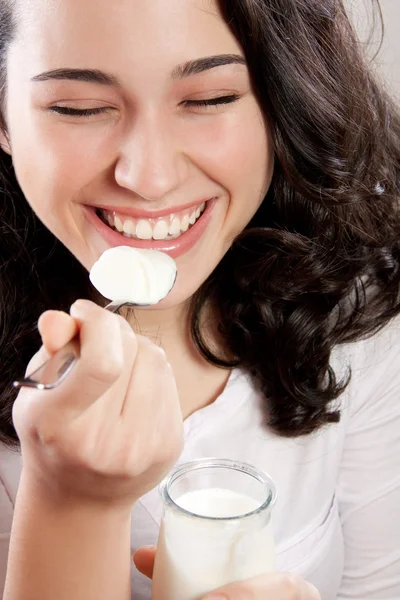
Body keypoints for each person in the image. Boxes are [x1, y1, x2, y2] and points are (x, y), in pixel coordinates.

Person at [0, 0, 399, 598]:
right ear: (3, 118)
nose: (150, 176)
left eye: (209, 99)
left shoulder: (354, 317)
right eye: (78, 108)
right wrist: (69, 503)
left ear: (281, 100)